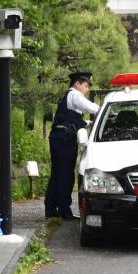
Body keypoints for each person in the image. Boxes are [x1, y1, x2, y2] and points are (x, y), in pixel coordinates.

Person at [44, 71, 99, 220]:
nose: (87, 89)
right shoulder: (74, 95)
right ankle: (63, 210)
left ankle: (51, 209)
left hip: (60, 137)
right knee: (65, 175)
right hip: (64, 139)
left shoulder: (69, 97)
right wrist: (104, 110)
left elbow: (74, 120)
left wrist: (90, 124)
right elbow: (92, 108)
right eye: (86, 85)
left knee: (57, 174)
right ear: (77, 83)